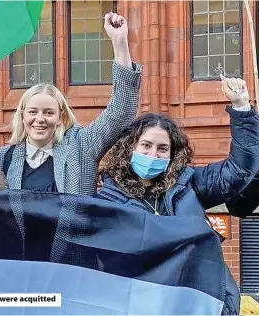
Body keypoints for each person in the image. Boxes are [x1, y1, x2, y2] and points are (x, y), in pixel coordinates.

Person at [96, 75, 259, 315]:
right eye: (146, 145)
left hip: (204, 303)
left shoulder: (191, 183)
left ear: (173, 154)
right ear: (130, 148)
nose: (154, 154)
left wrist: (241, 107)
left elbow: (239, 170)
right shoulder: (108, 202)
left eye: (163, 149)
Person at [0, 12, 142, 195]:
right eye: (33, 112)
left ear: (60, 117)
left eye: (48, 112)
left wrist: (120, 44)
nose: (40, 119)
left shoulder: (81, 146)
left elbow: (121, 112)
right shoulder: (5, 157)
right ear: (22, 115)